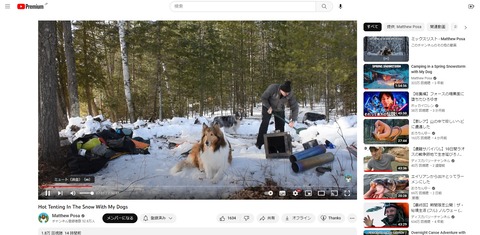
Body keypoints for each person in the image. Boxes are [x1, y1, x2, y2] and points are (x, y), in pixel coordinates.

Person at [255, 81, 299, 149]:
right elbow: (263, 98)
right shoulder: (273, 88)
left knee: (280, 126)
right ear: (281, 90)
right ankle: (260, 143)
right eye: (285, 92)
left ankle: (279, 145)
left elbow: (294, 107)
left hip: (279, 108)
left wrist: (293, 120)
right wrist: (268, 106)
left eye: (288, 93)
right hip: (267, 106)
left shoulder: (290, 94)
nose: (287, 94)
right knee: (265, 123)